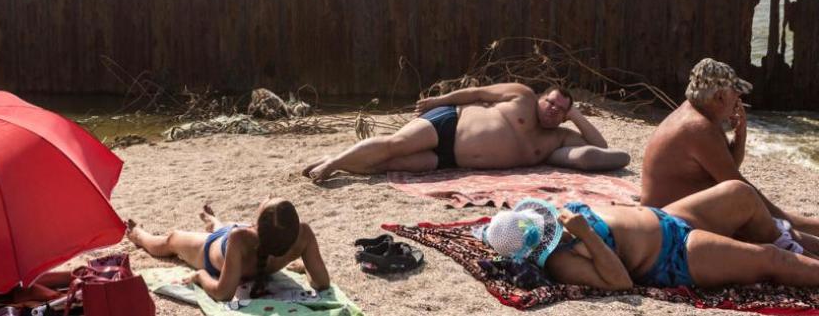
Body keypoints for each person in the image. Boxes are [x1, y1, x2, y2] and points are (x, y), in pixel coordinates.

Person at [487, 180, 819, 291]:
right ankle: (795, 258)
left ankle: (794, 246)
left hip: (668, 218)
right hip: (674, 255)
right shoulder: (562, 262)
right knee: (768, 258)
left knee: (739, 193)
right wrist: (586, 234)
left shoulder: (560, 218)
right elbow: (620, 283)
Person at [302, 83, 629, 183]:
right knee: (395, 144)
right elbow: (477, 92)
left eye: (560, 109)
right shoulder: (522, 96)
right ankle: (332, 165)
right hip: (449, 123)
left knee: (387, 166)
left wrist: (577, 115)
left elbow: (601, 147)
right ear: (541, 97)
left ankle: (337, 160)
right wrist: (439, 100)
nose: (552, 109)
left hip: (450, 161)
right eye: (551, 102)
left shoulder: (558, 137)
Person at [641, 57, 819, 238]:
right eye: (736, 93)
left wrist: (740, 135)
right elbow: (736, 185)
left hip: (674, 212)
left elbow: (729, 169)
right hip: (667, 223)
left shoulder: (698, 114)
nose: (738, 99)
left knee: (782, 226)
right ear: (719, 97)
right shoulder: (699, 128)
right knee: (783, 230)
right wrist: (783, 218)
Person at [126, 198, 330, 301]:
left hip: (211, 249)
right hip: (233, 237)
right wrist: (306, 267)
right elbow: (321, 283)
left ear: (256, 226)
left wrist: (200, 276)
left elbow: (223, 293)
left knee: (172, 239)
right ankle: (214, 222)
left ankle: (138, 235)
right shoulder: (303, 233)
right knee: (228, 229)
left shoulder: (240, 239)